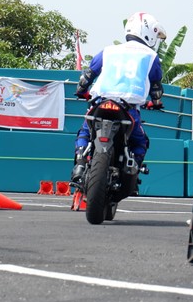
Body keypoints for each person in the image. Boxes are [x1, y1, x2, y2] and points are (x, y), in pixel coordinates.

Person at [70, 12, 166, 184]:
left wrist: (82, 91)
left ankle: (80, 162)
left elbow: (86, 77)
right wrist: (156, 103)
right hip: (128, 108)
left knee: (85, 131)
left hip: (100, 102)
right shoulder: (151, 57)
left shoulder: (108, 51)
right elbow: (156, 88)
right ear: (149, 33)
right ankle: (133, 169)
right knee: (140, 142)